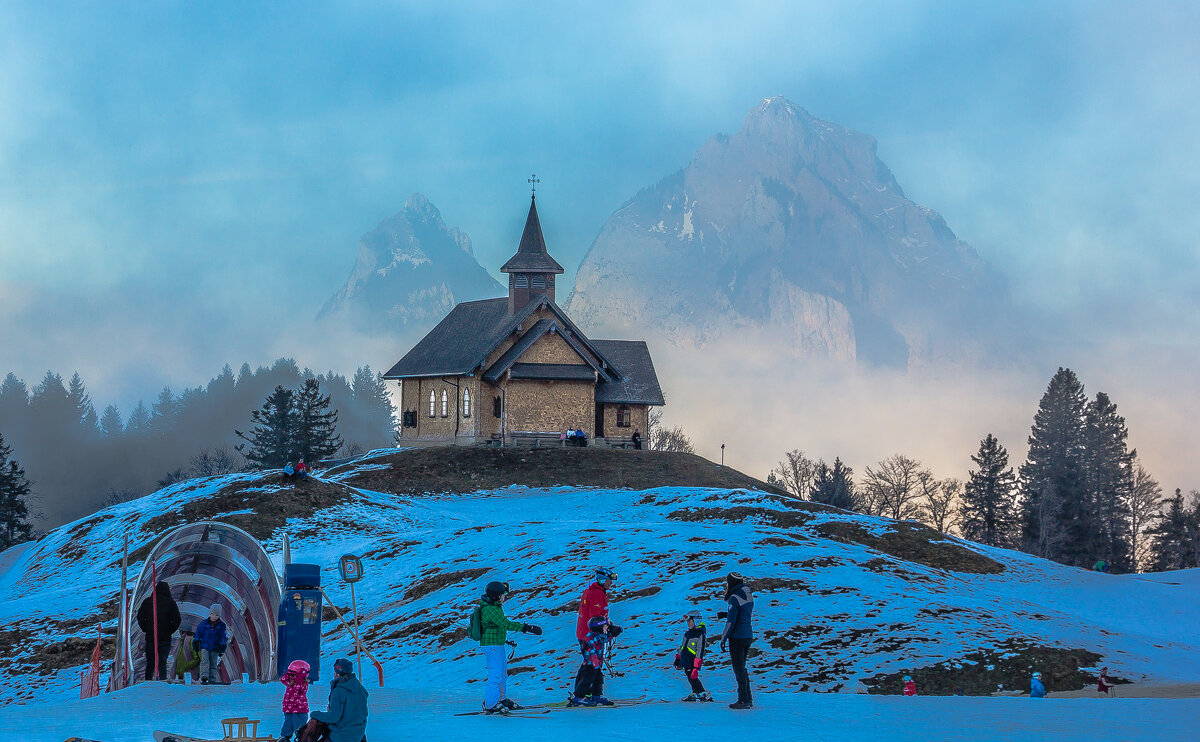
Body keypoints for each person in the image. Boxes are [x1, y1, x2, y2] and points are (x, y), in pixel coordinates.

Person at [474, 580, 542, 714]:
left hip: (496, 644)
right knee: (496, 675)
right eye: (502, 595)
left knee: (502, 674)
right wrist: (526, 627)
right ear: (495, 596)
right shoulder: (490, 609)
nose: (503, 598)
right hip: (492, 646)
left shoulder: (493, 606)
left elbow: (498, 626)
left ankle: (501, 699)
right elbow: (505, 624)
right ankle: (491, 704)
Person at [305, 658, 368, 742]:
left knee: (315, 722)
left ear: (338, 672)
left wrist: (314, 714)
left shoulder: (339, 690)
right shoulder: (361, 689)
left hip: (341, 736)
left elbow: (333, 717)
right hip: (358, 736)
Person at [720, 571, 754, 709]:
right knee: (742, 668)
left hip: (737, 637)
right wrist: (725, 614)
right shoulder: (747, 594)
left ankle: (743, 700)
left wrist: (723, 639)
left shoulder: (734, 598)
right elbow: (743, 613)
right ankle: (748, 698)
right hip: (747, 635)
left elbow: (731, 622)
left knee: (738, 668)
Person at [136, 580, 181, 681]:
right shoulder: (171, 603)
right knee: (162, 662)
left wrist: (146, 628)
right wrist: (170, 630)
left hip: (151, 637)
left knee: (150, 662)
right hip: (165, 638)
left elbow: (140, 617)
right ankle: (162, 680)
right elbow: (177, 619)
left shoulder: (148, 601)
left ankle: (148, 680)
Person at [576, 567, 621, 654]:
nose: (611, 583)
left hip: (584, 634)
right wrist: (611, 628)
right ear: (602, 580)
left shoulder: (592, 590)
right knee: (593, 666)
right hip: (591, 637)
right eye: (609, 580)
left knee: (590, 664)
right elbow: (596, 618)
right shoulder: (596, 593)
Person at [570, 616, 613, 706]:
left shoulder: (599, 636)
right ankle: (578, 697)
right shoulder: (591, 637)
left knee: (598, 680)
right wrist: (594, 661)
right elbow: (590, 650)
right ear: (599, 627)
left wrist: (614, 631)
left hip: (596, 664)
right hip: (590, 664)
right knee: (586, 680)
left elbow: (606, 638)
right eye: (605, 627)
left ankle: (596, 696)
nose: (607, 629)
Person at [673, 611, 711, 702]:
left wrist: (696, 667)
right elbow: (682, 647)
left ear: (696, 621)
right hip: (686, 659)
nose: (688, 624)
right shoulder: (687, 634)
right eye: (688, 622)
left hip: (693, 660)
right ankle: (695, 693)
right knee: (689, 675)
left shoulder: (700, 634)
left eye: (690, 621)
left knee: (693, 677)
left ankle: (703, 693)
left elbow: (700, 651)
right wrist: (678, 659)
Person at [193, 603, 228, 684]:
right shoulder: (204, 624)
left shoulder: (222, 625)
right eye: (213, 614)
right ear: (210, 614)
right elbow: (198, 633)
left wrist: (223, 646)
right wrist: (196, 641)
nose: (214, 616)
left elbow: (223, 636)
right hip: (204, 646)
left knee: (213, 663)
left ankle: (212, 678)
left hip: (215, 647)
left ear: (219, 616)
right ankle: (204, 676)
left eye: (216, 615)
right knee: (204, 661)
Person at [279, 659, 311, 742]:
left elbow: (284, 679)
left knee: (289, 724)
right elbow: (297, 688)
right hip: (299, 708)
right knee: (300, 726)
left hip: (289, 708)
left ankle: (285, 738)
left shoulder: (291, 681)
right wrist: (301, 675)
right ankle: (298, 738)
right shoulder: (301, 682)